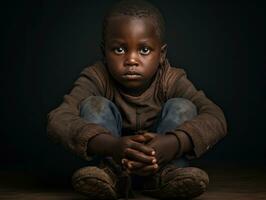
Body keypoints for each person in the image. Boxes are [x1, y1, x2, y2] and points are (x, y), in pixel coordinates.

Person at [47, 0, 227, 199]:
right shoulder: (96, 77)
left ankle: (165, 176)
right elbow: (59, 119)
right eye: (119, 50)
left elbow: (216, 117)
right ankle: (112, 176)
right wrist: (112, 146)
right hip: (114, 162)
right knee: (94, 105)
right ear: (104, 52)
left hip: (162, 162)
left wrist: (174, 143)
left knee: (183, 106)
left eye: (144, 50)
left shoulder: (171, 79)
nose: (131, 60)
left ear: (161, 54)